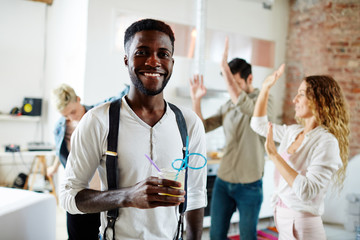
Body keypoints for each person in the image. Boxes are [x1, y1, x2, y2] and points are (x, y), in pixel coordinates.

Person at [59, 18, 207, 240]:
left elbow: (195, 196)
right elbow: (69, 197)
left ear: (172, 63)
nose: (153, 61)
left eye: (163, 54)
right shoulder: (98, 121)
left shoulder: (189, 123)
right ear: (127, 60)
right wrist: (127, 196)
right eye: (142, 52)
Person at [250, 66, 350, 239]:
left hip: (304, 227)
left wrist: (274, 155)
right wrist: (265, 88)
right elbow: (258, 125)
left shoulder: (327, 142)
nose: (294, 100)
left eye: (301, 94)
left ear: (319, 101)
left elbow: (307, 191)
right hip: (283, 222)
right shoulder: (293, 132)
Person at [189, 38, 273, 240]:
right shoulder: (228, 105)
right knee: (216, 235)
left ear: (250, 79)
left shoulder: (263, 101)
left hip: (250, 184)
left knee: (247, 236)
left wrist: (225, 70)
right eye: (229, 83)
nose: (231, 89)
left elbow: (247, 107)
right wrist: (196, 100)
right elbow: (202, 127)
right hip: (224, 182)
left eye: (235, 83)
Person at [50, 83, 128, 240]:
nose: (71, 117)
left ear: (79, 99)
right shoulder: (60, 127)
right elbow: (65, 153)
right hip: (76, 191)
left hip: (100, 192)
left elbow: (120, 97)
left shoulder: (97, 116)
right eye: (65, 115)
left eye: (72, 111)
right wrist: (54, 166)